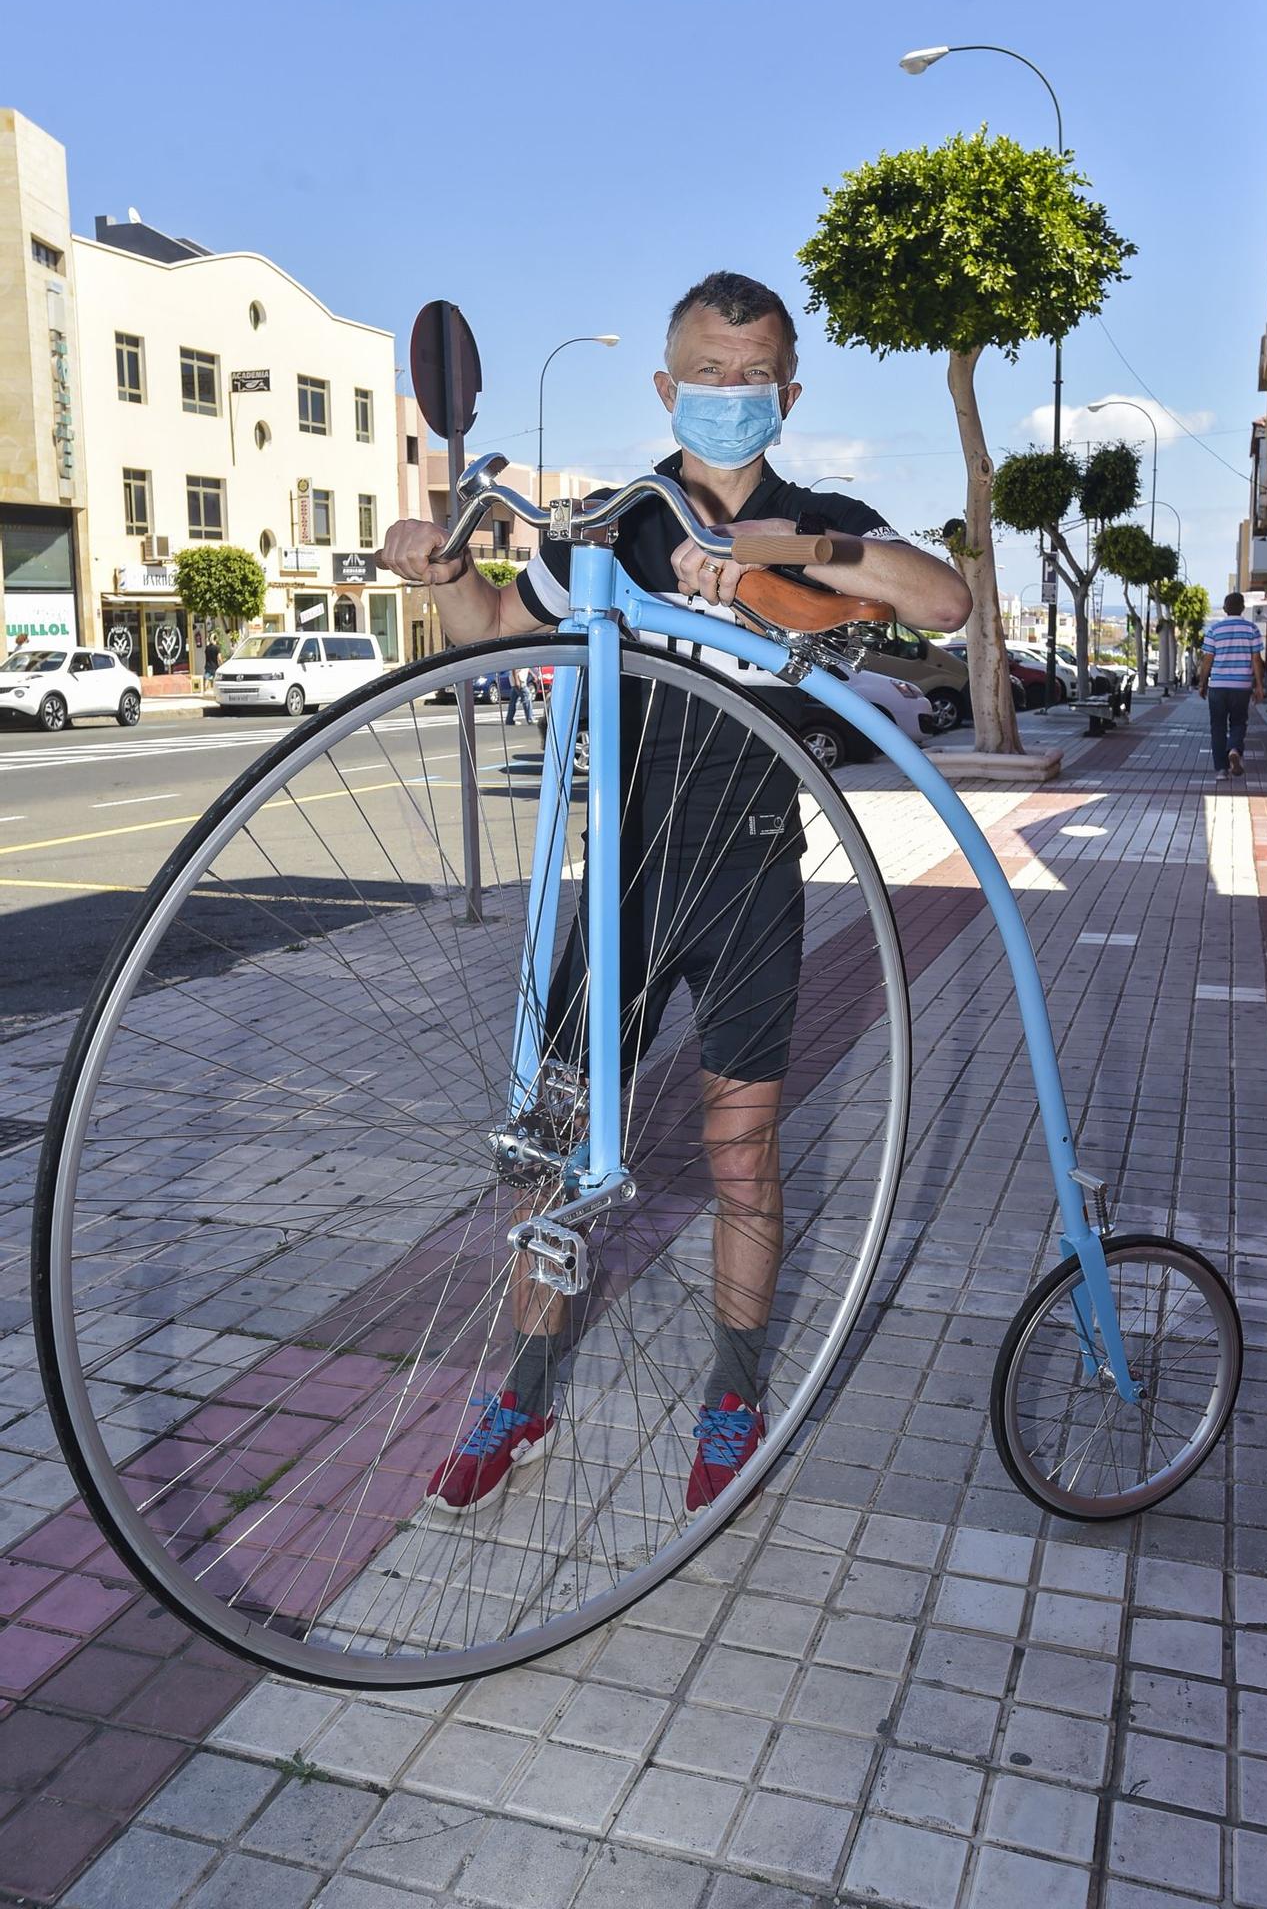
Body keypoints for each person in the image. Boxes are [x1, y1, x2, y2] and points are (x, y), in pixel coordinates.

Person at [379, 270, 970, 1515]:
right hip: (629, 871)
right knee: (550, 1142)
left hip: (751, 868)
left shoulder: (821, 517)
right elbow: (493, 630)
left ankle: (732, 1392)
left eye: (750, 380)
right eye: (705, 377)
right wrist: (433, 568)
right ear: (665, 385)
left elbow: (943, 600)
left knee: (739, 1148)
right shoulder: (610, 526)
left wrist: (774, 553)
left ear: (787, 393)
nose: (726, 399)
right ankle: (524, 1391)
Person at [1196, 592, 1264, 777]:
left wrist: (1202, 683)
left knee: (1217, 726)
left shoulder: (1215, 629)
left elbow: (1207, 660)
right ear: (1242, 608)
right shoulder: (1252, 629)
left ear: (1225, 609)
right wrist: (1259, 685)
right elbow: (1256, 660)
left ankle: (1221, 769)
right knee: (1239, 722)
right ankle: (1234, 749)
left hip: (1218, 686)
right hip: (1241, 686)